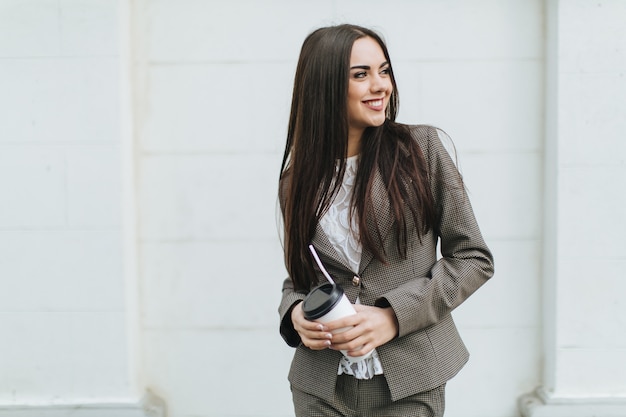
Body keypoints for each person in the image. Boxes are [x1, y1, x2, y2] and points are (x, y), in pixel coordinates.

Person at [277, 24, 494, 417]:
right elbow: (301, 278)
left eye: (384, 70)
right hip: (320, 388)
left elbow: (474, 258)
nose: (381, 85)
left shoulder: (422, 150)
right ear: (323, 86)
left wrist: (394, 316)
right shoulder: (296, 180)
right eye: (361, 74)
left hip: (410, 382)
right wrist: (294, 313)